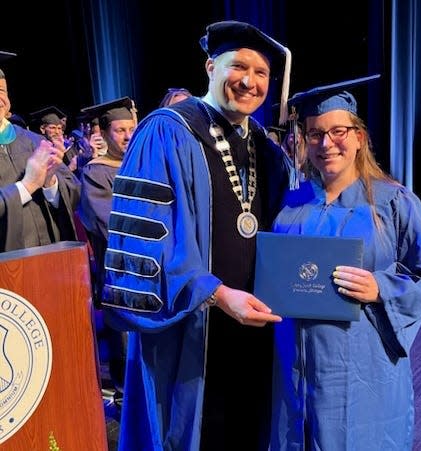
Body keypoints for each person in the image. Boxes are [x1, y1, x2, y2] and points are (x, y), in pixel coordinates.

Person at [100, 21, 292, 450]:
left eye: (261, 73)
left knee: (247, 425)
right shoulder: (166, 130)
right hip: (190, 326)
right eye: (237, 66)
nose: (250, 81)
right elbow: (142, 241)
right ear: (210, 67)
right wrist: (218, 294)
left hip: (255, 325)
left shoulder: (265, 147)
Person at [268, 77, 421, 450]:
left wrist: (381, 287)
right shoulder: (292, 202)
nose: (326, 143)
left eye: (338, 131)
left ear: (359, 137)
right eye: (315, 134)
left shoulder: (392, 201)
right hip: (294, 366)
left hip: (361, 365)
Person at [78, 97, 137, 405]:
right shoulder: (95, 174)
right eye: (119, 130)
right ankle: (125, 405)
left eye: (131, 128)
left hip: (150, 275)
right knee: (124, 346)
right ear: (103, 132)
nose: (128, 136)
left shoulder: (143, 165)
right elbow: (109, 225)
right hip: (119, 274)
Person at [0, 51, 80, 252]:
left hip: (50, 260)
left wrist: (50, 183)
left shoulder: (35, 142)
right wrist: (27, 186)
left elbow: (74, 195)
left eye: (1, 90)